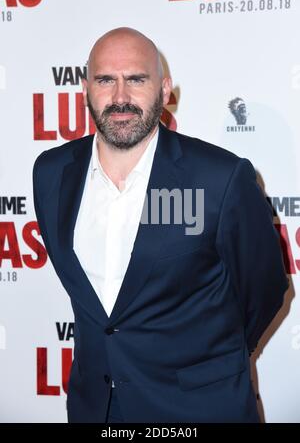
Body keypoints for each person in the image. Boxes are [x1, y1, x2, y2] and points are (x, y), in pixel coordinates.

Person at [32, 27, 288, 423]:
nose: (120, 97)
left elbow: (265, 289)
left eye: (136, 79)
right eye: (105, 80)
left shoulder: (216, 179)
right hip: (95, 408)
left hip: (198, 410)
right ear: (85, 88)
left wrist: (208, 364)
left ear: (164, 90)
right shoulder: (51, 173)